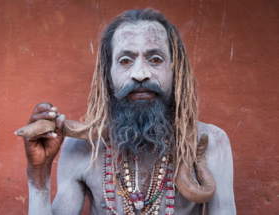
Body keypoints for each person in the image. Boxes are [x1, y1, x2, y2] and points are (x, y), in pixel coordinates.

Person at [23, 9, 236, 215]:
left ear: (175, 71)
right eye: (125, 61)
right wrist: (38, 173)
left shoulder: (212, 143)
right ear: (108, 76)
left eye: (155, 59)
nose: (140, 74)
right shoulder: (83, 147)